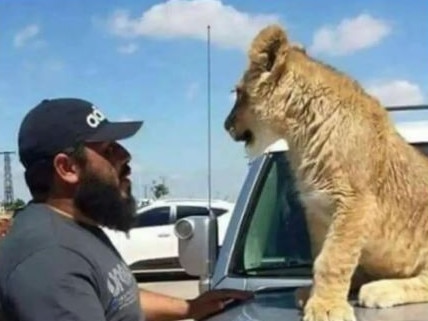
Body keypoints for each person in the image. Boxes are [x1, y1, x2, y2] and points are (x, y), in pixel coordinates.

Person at [0, 98, 253, 321]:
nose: (126, 156)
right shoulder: (50, 262)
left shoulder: (75, 227)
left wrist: (189, 308)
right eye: (109, 150)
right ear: (67, 168)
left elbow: (115, 298)